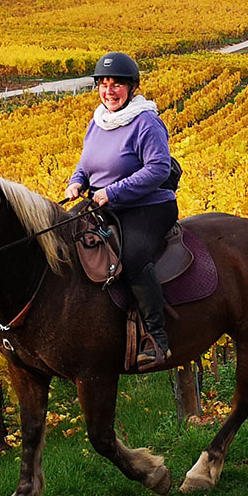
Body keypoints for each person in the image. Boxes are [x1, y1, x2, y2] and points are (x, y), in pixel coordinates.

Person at [65, 52, 177, 370]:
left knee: (133, 257)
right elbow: (86, 164)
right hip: (104, 206)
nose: (109, 91)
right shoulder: (98, 120)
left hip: (148, 207)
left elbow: (158, 168)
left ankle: (156, 338)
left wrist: (113, 192)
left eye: (117, 85)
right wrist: (76, 182)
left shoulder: (146, 122)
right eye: (103, 84)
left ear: (132, 88)